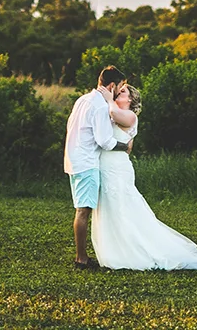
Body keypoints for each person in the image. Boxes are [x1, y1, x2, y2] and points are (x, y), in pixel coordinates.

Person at [91, 81, 197, 271]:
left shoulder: (130, 116)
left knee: (122, 207)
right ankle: (115, 249)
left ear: (131, 99)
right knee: (109, 207)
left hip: (117, 168)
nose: (118, 93)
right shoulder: (112, 114)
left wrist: (108, 99)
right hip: (107, 166)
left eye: (123, 91)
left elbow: (114, 114)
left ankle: (133, 251)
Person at [64, 65, 131, 269]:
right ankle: (81, 258)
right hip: (86, 161)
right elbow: (104, 141)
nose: (119, 91)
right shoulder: (100, 105)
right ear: (111, 86)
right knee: (83, 210)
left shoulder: (82, 99)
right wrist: (124, 146)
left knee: (82, 208)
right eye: (119, 87)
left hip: (73, 159)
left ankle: (82, 255)